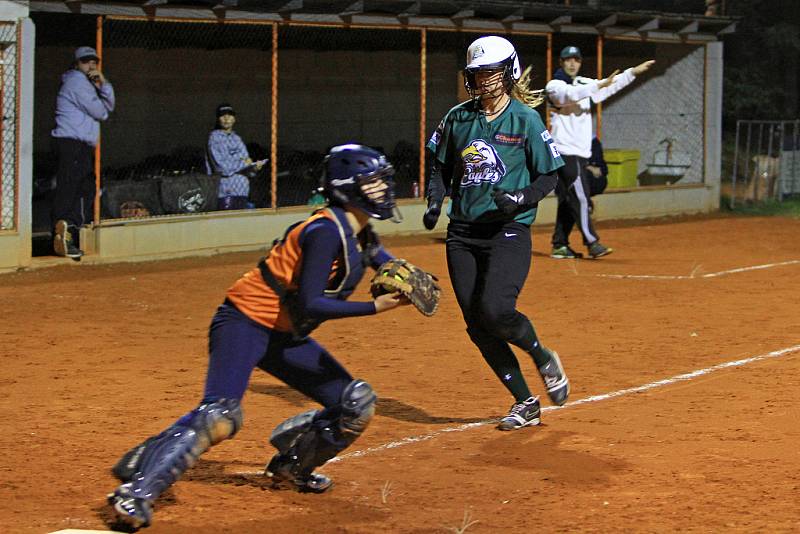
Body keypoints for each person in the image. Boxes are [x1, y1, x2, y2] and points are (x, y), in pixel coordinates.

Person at [107, 144, 411, 530]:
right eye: (372, 184)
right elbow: (312, 302)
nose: (382, 190)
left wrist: (402, 270)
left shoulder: (360, 232)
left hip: (285, 334)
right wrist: (376, 307)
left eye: (382, 182)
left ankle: (291, 467)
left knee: (355, 403)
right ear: (346, 188)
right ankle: (136, 492)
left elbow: (380, 258)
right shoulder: (324, 232)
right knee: (220, 416)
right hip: (245, 322)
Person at [422, 35, 569, 431]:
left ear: (509, 72)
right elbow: (438, 165)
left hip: (507, 229)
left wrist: (521, 197)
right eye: (476, 73)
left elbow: (549, 175)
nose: (482, 80)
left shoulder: (525, 119)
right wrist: (436, 201)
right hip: (462, 234)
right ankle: (525, 401)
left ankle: (541, 355)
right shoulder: (457, 117)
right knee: (476, 324)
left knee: (496, 311)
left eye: (490, 72)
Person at [547, 45, 654, 259]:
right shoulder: (555, 85)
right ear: (561, 62)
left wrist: (632, 72)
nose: (572, 63)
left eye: (576, 60)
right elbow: (570, 95)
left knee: (570, 199)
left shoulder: (586, 84)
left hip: (580, 153)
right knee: (582, 197)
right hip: (564, 151)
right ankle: (592, 242)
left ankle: (559, 244)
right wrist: (597, 84)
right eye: (568, 60)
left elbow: (608, 87)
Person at [51, 46, 115, 259]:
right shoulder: (77, 81)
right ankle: (64, 235)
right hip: (71, 143)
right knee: (71, 190)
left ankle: (69, 234)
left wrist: (103, 83)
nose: (91, 65)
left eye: (93, 62)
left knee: (84, 188)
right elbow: (102, 112)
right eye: (85, 61)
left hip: (79, 146)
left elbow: (108, 107)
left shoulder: (89, 84)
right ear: (77, 64)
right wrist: (101, 94)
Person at [205, 103, 264, 210]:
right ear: (218, 119)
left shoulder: (237, 139)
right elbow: (223, 168)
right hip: (225, 191)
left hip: (242, 190)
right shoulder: (214, 138)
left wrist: (253, 168)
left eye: (230, 115)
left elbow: (246, 163)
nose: (227, 118)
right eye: (223, 115)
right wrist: (244, 163)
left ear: (234, 119)